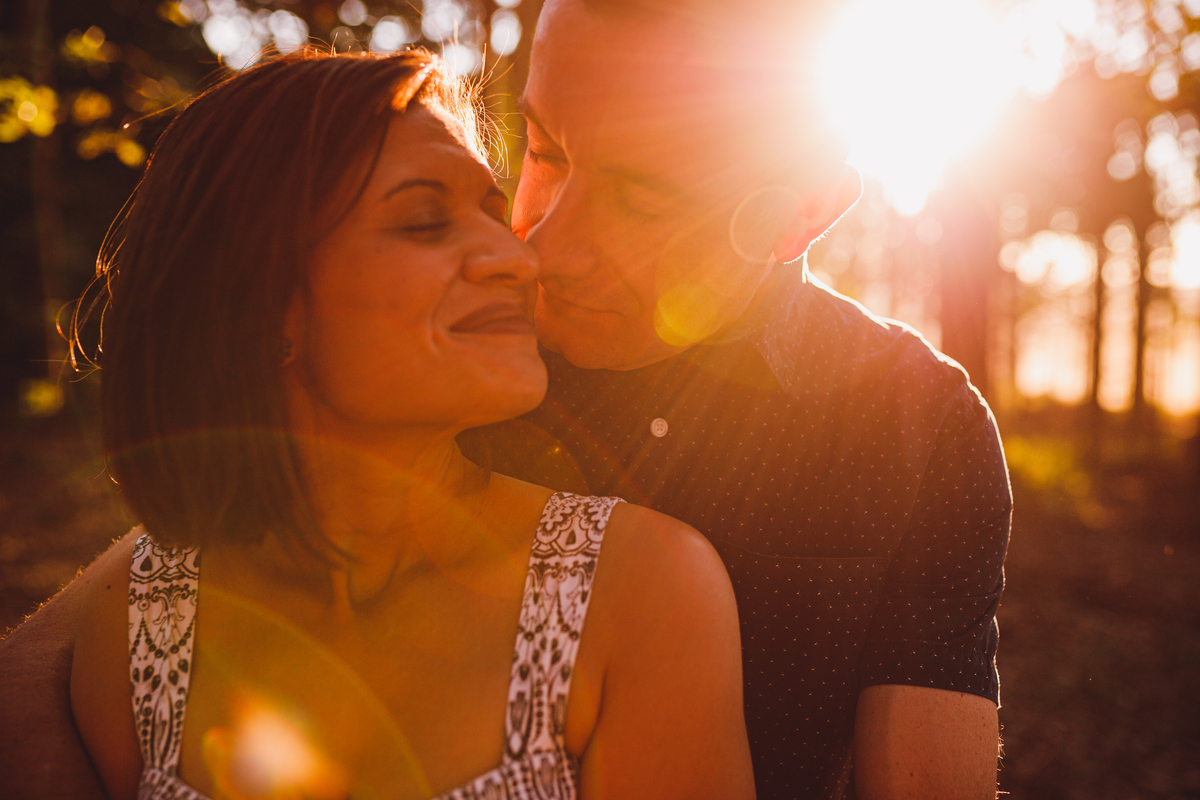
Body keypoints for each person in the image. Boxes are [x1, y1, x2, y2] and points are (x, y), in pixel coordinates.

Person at [1, 1, 1011, 798]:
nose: (537, 246)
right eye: (543, 150)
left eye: (644, 196)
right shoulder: (451, 354)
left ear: (801, 214)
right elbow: (198, 554)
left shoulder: (914, 426)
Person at [6, 48, 754, 800]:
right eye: (425, 221)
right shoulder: (137, 630)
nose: (518, 260)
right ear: (260, 306)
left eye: (493, 212)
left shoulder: (640, 593)